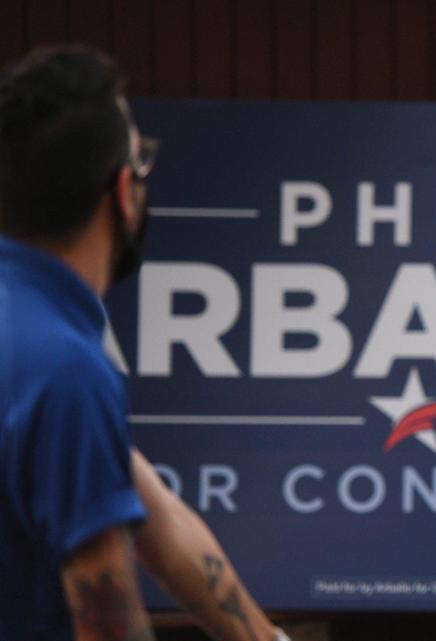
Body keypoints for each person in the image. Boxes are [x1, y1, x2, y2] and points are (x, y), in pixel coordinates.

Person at [0, 46, 282, 641]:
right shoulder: (62, 370)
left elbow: (156, 513)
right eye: (142, 163)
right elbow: (110, 625)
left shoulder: (29, 342)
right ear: (124, 191)